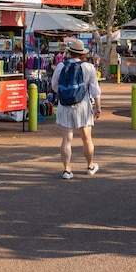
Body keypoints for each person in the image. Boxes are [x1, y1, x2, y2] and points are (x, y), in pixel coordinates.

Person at [51, 39, 103, 179]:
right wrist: (98, 107)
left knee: (67, 139)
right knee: (86, 138)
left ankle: (67, 170)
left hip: (65, 105)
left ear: (69, 52)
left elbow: (54, 87)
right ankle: (90, 166)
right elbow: (95, 90)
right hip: (83, 105)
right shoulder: (89, 67)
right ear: (82, 53)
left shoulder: (61, 66)